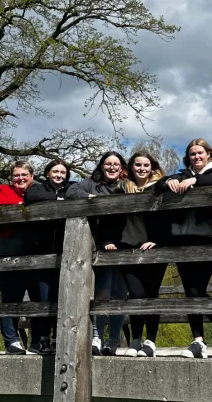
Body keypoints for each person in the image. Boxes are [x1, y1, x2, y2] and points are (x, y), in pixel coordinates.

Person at [155, 138, 212, 359]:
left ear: (209, 154)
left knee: (198, 287)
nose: (196, 157)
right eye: (192, 154)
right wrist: (169, 182)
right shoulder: (182, 174)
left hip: (208, 236)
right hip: (183, 236)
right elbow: (158, 185)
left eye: (200, 153)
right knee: (190, 289)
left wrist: (194, 181)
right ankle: (198, 340)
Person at [100, 151, 169, 358]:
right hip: (128, 248)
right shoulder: (122, 188)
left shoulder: (160, 186)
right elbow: (110, 218)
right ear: (131, 168)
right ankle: (136, 339)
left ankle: (150, 341)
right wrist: (108, 240)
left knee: (151, 295)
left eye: (145, 165)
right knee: (136, 296)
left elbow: (169, 217)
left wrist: (158, 239)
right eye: (137, 165)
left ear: (152, 167)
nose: (141, 168)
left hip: (153, 248)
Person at [0, 161, 51, 355]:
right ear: (11, 178)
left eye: (24, 174)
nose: (20, 178)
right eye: (16, 175)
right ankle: (11, 340)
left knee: (40, 299)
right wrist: (17, 206)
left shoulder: (38, 191)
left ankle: (39, 341)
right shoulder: (3, 191)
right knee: (12, 297)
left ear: (32, 176)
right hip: (6, 253)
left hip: (36, 255)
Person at [66, 151, 128, 356]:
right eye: (107, 163)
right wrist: (92, 198)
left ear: (121, 168)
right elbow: (72, 191)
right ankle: (97, 336)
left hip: (124, 245)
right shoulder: (91, 184)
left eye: (116, 164)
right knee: (102, 294)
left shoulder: (127, 185)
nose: (111, 167)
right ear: (102, 166)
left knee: (120, 295)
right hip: (99, 246)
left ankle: (113, 340)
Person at [23, 159, 76, 353]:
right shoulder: (38, 189)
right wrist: (58, 201)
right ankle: (41, 338)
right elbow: (30, 195)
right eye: (55, 171)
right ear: (47, 173)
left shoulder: (71, 189)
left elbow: (79, 196)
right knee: (42, 297)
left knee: (61, 297)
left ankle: (57, 338)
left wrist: (63, 198)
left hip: (66, 252)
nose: (59, 175)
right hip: (42, 251)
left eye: (63, 172)